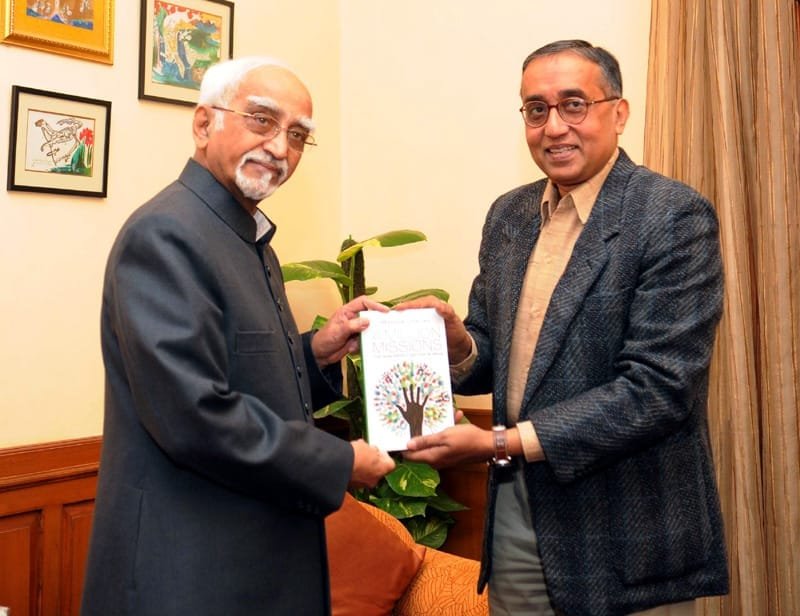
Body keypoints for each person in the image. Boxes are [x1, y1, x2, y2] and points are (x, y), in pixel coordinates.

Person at [399, 40, 729, 616]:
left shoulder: (672, 215)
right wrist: (456, 340)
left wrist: (498, 442)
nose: (554, 127)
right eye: (536, 109)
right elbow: (492, 357)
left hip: (626, 530)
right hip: (519, 523)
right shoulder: (509, 214)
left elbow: (659, 390)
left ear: (618, 113)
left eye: (573, 104)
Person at [81, 56, 395, 616]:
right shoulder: (167, 233)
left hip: (248, 565)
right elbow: (194, 415)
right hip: (190, 571)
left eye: (298, 136)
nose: (280, 148)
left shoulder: (247, 237)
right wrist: (339, 462)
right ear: (204, 125)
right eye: (262, 121)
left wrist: (316, 354)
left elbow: (237, 373)